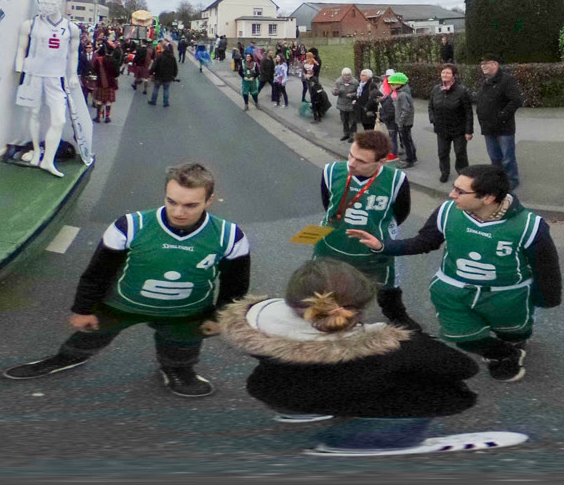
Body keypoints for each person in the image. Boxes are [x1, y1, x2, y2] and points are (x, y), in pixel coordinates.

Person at [217, 260, 518, 457]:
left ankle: (298, 412)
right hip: (340, 389)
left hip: (275, 390)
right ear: (359, 307)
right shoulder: (393, 347)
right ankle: (370, 439)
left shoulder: (257, 318)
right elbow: (463, 368)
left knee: (300, 380)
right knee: (446, 392)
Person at [3, 162, 249, 398]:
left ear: (209, 200)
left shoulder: (230, 236)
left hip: (187, 312)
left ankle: (177, 370)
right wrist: (83, 309)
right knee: (90, 336)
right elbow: (98, 272)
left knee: (181, 347)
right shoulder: (130, 226)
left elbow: (235, 284)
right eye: (171, 201)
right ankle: (68, 358)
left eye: (190, 205)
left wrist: (221, 318)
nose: (178, 212)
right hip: (120, 304)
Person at [347, 163, 561, 382]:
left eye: (460, 191)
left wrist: (547, 298)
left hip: (507, 295)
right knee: (462, 336)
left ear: (488, 198)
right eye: (454, 188)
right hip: (454, 289)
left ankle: (512, 343)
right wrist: (382, 246)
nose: (452, 194)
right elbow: (424, 242)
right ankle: (503, 354)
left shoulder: (529, 226)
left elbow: (546, 267)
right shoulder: (447, 211)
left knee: (513, 332)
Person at [312, 130, 415, 329]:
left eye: (361, 161)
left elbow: (401, 213)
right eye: (351, 155)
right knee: (329, 287)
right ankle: (332, 319)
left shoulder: (397, 180)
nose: (351, 163)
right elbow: (328, 204)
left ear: (381, 162)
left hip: (374, 249)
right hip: (332, 246)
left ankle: (396, 315)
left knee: (387, 288)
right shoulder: (331, 171)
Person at [473, 56, 524, 189]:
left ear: (495, 64)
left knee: (507, 158)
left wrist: (502, 116)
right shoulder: (486, 82)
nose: (483, 66)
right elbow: (481, 100)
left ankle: (512, 180)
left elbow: (516, 100)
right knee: (494, 157)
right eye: (481, 64)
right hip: (488, 127)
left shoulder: (507, 80)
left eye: (486, 63)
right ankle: (498, 179)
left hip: (504, 127)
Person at [428, 65, 475, 185]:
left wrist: (469, 131)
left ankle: (463, 173)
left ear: (454, 75)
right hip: (441, 128)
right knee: (442, 153)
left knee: (460, 153)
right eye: (443, 72)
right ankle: (444, 172)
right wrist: (433, 119)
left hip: (458, 129)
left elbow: (468, 112)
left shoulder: (461, 91)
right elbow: (430, 106)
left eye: (448, 73)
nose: (445, 75)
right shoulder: (436, 89)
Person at [383, 72, 416, 168]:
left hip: (404, 122)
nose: (390, 86)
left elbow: (406, 110)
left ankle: (410, 160)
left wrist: (400, 122)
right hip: (406, 122)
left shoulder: (402, 95)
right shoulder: (403, 92)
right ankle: (412, 157)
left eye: (392, 84)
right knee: (408, 140)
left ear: (399, 84)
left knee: (406, 142)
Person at [148, 42, 178, 107]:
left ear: (163, 49)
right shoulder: (172, 57)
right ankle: (165, 103)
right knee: (166, 89)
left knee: (156, 88)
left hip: (159, 75)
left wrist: (150, 73)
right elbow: (175, 67)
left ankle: (153, 101)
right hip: (168, 77)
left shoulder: (160, 56)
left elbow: (154, 66)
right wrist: (174, 75)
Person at [334, 67, 359, 139]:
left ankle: (353, 135)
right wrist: (336, 92)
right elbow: (334, 90)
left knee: (352, 121)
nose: (347, 77)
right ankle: (346, 133)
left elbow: (358, 92)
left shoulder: (355, 82)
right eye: (345, 75)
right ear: (342, 75)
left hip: (351, 104)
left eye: (348, 75)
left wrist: (352, 95)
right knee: (344, 120)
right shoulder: (338, 81)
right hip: (342, 104)